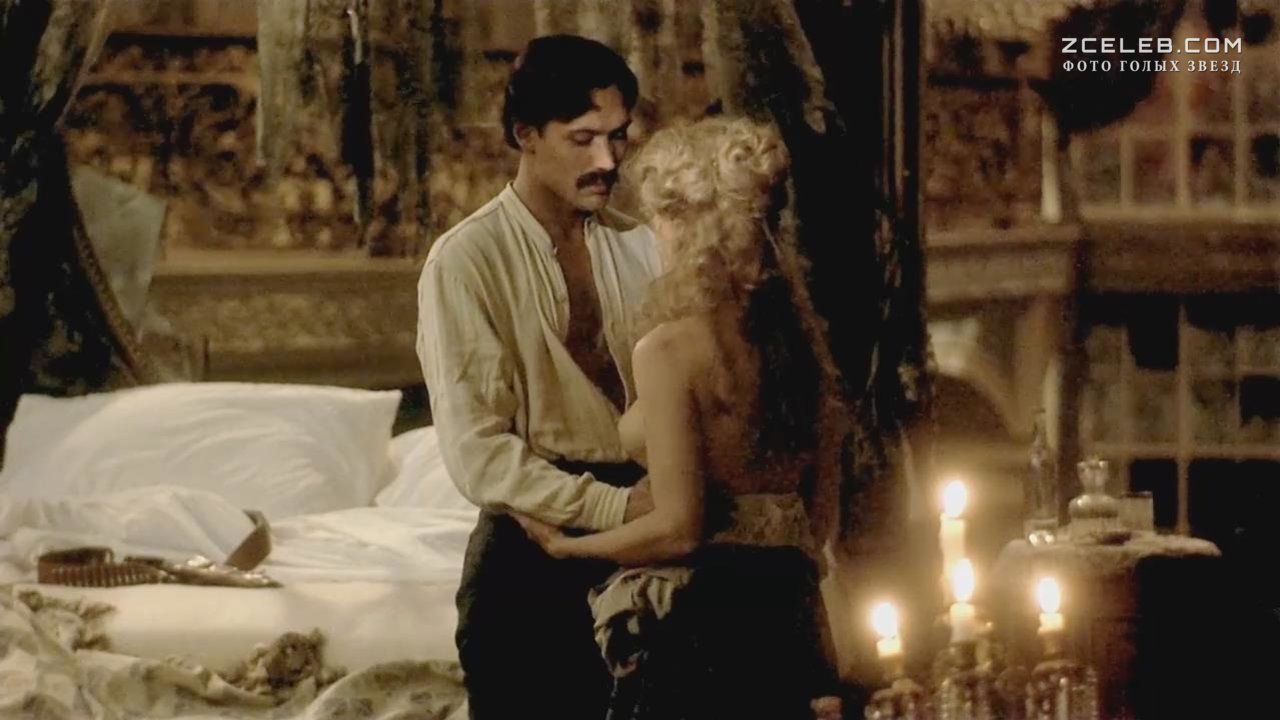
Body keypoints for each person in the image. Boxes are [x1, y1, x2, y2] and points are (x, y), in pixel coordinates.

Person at [515, 117, 845, 720]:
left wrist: (571, 549)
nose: (654, 237)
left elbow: (680, 528)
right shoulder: (802, 346)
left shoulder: (669, 351)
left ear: (691, 228)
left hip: (708, 629)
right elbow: (819, 519)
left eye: (659, 220)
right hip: (793, 616)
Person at [416, 35, 663, 720]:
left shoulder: (643, 244)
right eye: (582, 139)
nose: (607, 160)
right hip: (532, 555)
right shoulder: (466, 260)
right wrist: (616, 507)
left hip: (653, 539)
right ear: (525, 134)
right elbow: (478, 452)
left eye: (618, 136)